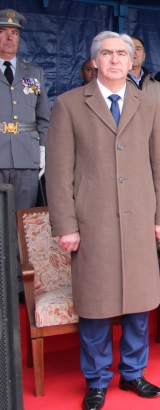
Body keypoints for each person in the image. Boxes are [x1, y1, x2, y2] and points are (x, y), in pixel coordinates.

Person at [45, 30, 160, 410]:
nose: (116, 59)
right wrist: (65, 225)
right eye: (107, 53)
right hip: (92, 220)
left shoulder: (148, 104)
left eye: (123, 53)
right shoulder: (69, 104)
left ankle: (134, 373)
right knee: (96, 304)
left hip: (139, 219)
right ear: (95, 61)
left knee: (138, 301)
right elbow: (58, 172)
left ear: (133, 59)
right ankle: (97, 379)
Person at [0, 9, 51, 303]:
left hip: (26, 157)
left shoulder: (34, 73)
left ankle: (19, 284)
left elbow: (44, 117)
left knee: (21, 223)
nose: (10, 37)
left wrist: (42, 150)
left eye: (15, 33)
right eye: (4, 32)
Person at [126, 36, 160, 111]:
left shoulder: (156, 85)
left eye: (138, 49)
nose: (134, 51)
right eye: (130, 48)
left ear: (144, 56)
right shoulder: (115, 83)